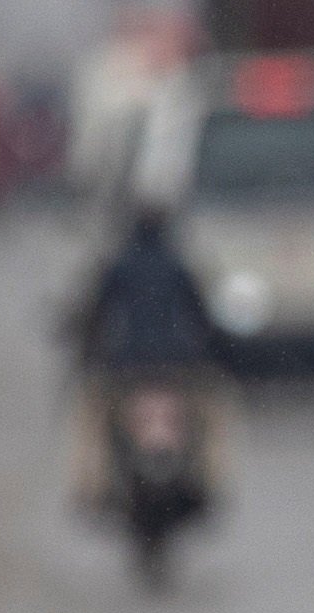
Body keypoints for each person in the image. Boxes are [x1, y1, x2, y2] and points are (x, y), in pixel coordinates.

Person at [69, 203, 225, 512]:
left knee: (91, 417)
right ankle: (213, 482)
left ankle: (90, 485)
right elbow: (204, 316)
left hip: (126, 368)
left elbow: (93, 316)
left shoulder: (117, 266)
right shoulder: (181, 266)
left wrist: (86, 349)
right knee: (215, 414)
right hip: (179, 368)